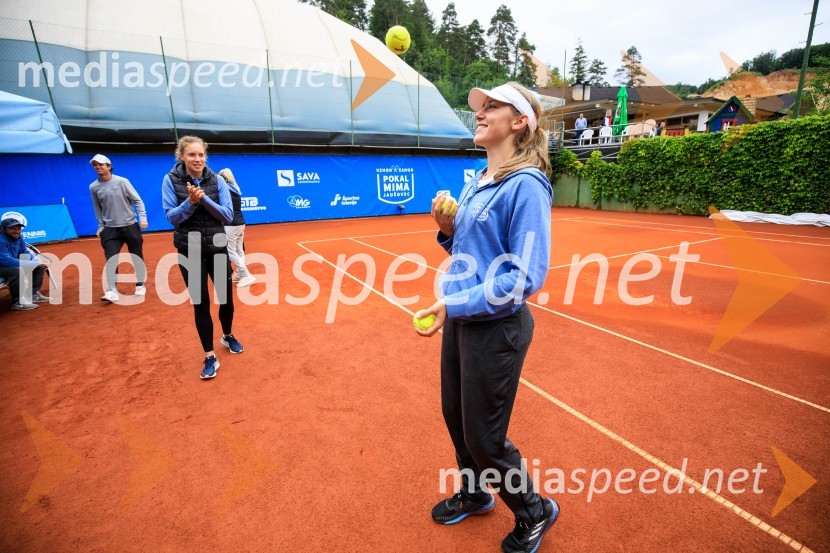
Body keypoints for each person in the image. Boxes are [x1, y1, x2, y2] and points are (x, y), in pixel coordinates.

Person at [414, 82, 558, 553]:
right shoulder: (477, 179)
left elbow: (524, 276)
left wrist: (452, 304)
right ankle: (476, 494)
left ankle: (535, 510)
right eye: (480, 106)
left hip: (497, 328)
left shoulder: (527, 185)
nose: (479, 112)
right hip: (463, 321)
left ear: (520, 123)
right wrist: (447, 231)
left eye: (492, 106)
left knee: (485, 437)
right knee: (456, 420)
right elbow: (469, 253)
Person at [162, 136, 245, 380]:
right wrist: (189, 202)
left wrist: (203, 198)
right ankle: (209, 355)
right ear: (182, 157)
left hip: (217, 246)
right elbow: (172, 217)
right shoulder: (170, 180)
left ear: (205, 157)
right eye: (192, 155)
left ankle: (227, 335)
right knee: (201, 304)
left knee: (226, 298)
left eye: (201, 155)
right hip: (189, 250)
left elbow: (227, 216)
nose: (197, 159)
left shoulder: (217, 180)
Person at [88, 154, 148, 302]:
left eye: (101, 164)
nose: (98, 167)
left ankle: (140, 283)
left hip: (130, 226)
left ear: (109, 166)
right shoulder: (93, 187)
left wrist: (143, 218)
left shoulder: (122, 182)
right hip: (110, 229)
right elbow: (97, 208)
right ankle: (111, 289)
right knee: (111, 259)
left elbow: (137, 200)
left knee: (136, 256)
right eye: (95, 165)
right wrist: (101, 226)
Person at [0, 217, 50, 311]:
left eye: (18, 228)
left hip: (7, 263)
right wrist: (31, 264)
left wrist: (36, 262)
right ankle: (18, 302)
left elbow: (24, 252)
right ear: (2, 229)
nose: (16, 231)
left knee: (39, 266)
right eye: (12, 228)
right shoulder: (1, 240)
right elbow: (5, 260)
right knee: (17, 271)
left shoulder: (18, 237)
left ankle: (33, 294)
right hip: (2, 264)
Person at [217, 168, 255, 288]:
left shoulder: (225, 190)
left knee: (230, 251)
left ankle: (246, 274)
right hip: (240, 224)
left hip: (231, 225)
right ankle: (240, 274)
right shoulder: (236, 189)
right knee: (239, 250)